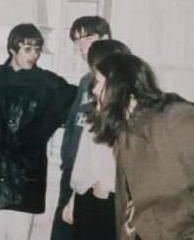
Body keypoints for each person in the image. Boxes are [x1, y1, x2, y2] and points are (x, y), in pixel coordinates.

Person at [89, 53, 194, 240]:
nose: (94, 89)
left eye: (98, 82)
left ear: (120, 84)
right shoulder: (124, 132)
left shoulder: (178, 118)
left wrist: (165, 219)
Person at [0, 23, 76, 240]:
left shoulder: (49, 84)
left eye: (37, 49)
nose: (33, 55)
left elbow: (77, 102)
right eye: (27, 49)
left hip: (27, 177)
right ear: (12, 49)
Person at [61, 40, 131, 240]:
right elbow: (84, 158)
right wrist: (74, 199)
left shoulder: (129, 115)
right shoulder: (95, 108)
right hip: (86, 196)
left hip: (110, 200)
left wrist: (107, 186)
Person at [51, 15, 112, 240]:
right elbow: (73, 126)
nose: (81, 46)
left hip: (95, 180)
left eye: (87, 37)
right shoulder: (86, 81)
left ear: (105, 38)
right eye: (76, 40)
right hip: (74, 173)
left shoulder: (115, 80)